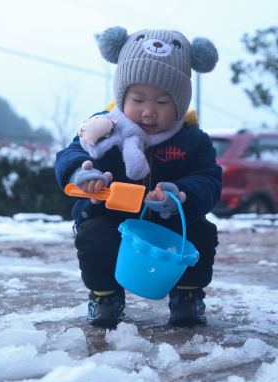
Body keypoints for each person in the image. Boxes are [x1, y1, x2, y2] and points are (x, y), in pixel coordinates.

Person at [55, 26, 222, 327]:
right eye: (138, 99)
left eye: (162, 102)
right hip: (110, 218)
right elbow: (68, 155)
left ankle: (186, 296)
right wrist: (82, 172)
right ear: (121, 95)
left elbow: (209, 178)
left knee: (202, 234)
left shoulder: (193, 140)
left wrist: (181, 195)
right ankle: (105, 296)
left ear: (180, 102)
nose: (148, 111)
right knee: (94, 237)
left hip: (170, 223)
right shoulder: (103, 128)